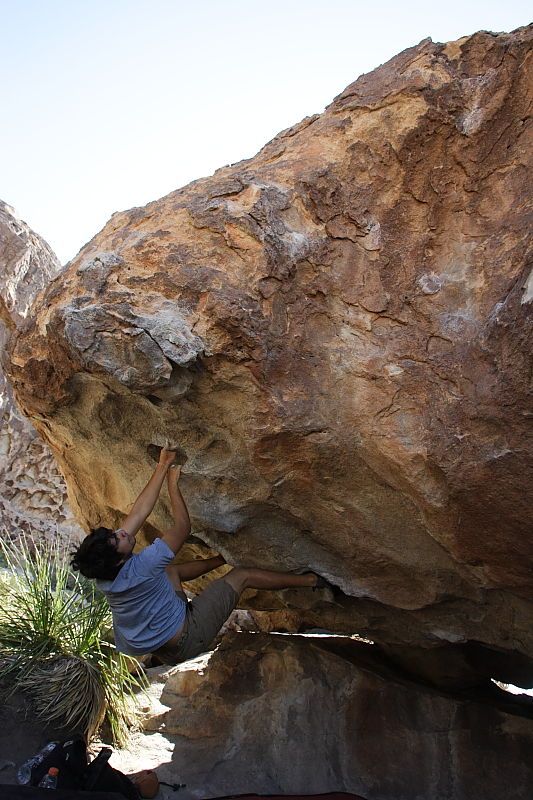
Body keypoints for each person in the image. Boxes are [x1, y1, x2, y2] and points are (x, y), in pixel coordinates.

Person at [71, 447, 322, 665]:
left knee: (169, 571)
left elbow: (138, 513)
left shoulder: (105, 574)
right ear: (118, 560)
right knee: (242, 575)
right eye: (118, 539)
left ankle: (220, 559)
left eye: (116, 533)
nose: (121, 533)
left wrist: (162, 465)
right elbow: (182, 528)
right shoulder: (144, 566)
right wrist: (172, 487)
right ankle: (311, 582)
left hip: (164, 646)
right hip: (189, 637)